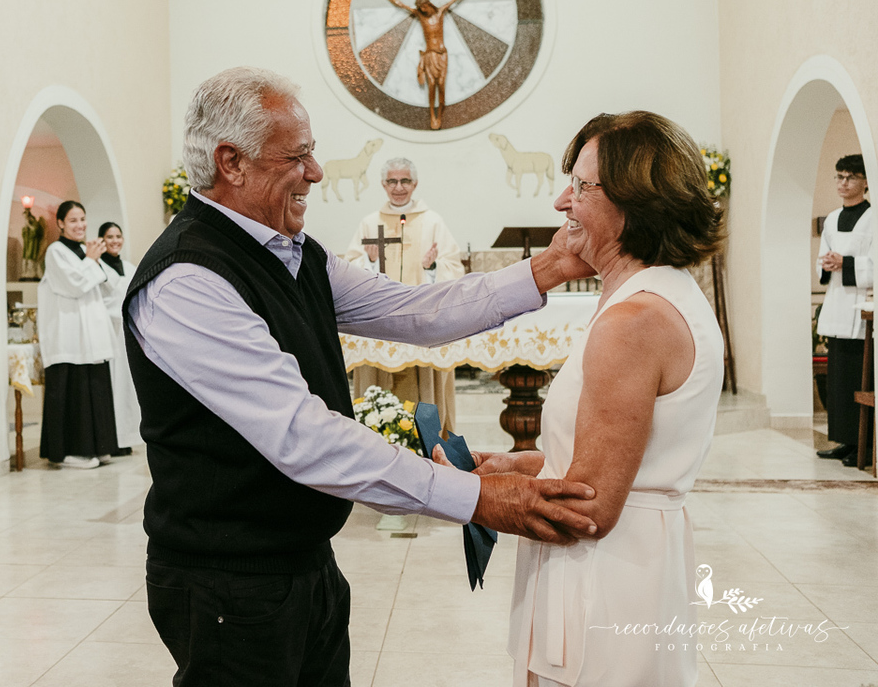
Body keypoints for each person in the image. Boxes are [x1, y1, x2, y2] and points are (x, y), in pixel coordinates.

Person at [124, 66, 599, 687]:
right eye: (297, 156)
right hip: (227, 581)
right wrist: (479, 499)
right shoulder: (188, 280)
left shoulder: (295, 254)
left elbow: (413, 310)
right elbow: (305, 437)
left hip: (303, 562)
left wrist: (550, 266)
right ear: (231, 162)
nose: (317, 173)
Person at [441, 111, 724, 687]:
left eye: (580, 186)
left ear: (633, 201)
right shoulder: (653, 293)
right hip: (627, 560)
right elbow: (608, 456)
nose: (561, 203)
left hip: (608, 582)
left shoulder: (635, 319)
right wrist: (515, 465)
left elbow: (587, 507)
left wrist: (463, 493)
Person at [345, 156, 465, 430]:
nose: (398, 187)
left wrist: (432, 266)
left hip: (421, 322)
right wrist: (371, 263)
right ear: (383, 185)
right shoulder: (369, 223)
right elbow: (349, 271)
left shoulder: (433, 222)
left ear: (415, 184)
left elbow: (453, 269)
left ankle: (431, 445)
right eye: (392, 181)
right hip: (379, 324)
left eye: (405, 181)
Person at [37, 201, 119, 469]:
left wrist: (95, 260)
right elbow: (74, 286)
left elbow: (107, 284)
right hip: (68, 335)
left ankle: (99, 446)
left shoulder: (86, 250)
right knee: (73, 392)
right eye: (73, 220)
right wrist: (91, 261)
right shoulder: (55, 252)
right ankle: (70, 452)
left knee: (94, 388)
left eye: (83, 219)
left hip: (92, 334)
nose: (80, 225)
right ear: (60, 223)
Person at [815, 154, 872, 467]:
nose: (844, 183)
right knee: (838, 381)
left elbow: (875, 264)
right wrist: (824, 264)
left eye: (850, 177)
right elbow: (823, 258)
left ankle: (863, 443)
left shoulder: (873, 218)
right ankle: (843, 439)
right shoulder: (834, 217)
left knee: (858, 381)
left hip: (861, 310)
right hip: (837, 305)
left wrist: (846, 263)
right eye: (839, 177)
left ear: (864, 181)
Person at [376, 0, 481, 129]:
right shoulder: (420, 16)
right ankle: (432, 113)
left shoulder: (440, 13)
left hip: (442, 55)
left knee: (442, 86)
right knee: (431, 85)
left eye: (424, 6)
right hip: (430, 55)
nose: (423, 9)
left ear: (429, 4)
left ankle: (441, 114)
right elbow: (400, 4)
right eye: (420, 7)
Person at [98, 221, 143, 456]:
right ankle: (110, 439)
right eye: (109, 237)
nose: (115, 240)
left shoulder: (129, 266)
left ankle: (125, 437)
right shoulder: (97, 267)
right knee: (110, 385)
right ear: (101, 240)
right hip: (107, 331)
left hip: (125, 332)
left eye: (118, 236)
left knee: (126, 386)